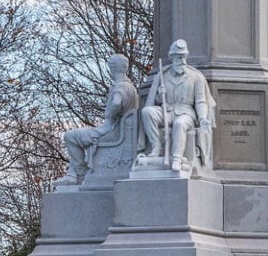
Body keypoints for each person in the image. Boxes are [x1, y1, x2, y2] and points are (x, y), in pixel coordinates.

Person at [59, 54, 138, 185]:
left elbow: (117, 102)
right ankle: (73, 173)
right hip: (115, 128)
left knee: (70, 137)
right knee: (76, 136)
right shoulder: (131, 87)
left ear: (113, 69)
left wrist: (111, 114)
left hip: (110, 130)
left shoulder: (121, 86)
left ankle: (79, 173)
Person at [140, 39, 214, 172]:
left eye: (184, 57)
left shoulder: (196, 78)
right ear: (172, 58)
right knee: (147, 112)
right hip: (167, 111)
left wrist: (202, 118)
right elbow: (157, 100)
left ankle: (176, 158)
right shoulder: (164, 75)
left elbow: (200, 101)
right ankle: (156, 146)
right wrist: (159, 94)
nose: (182, 61)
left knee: (180, 124)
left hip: (186, 113)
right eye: (179, 57)